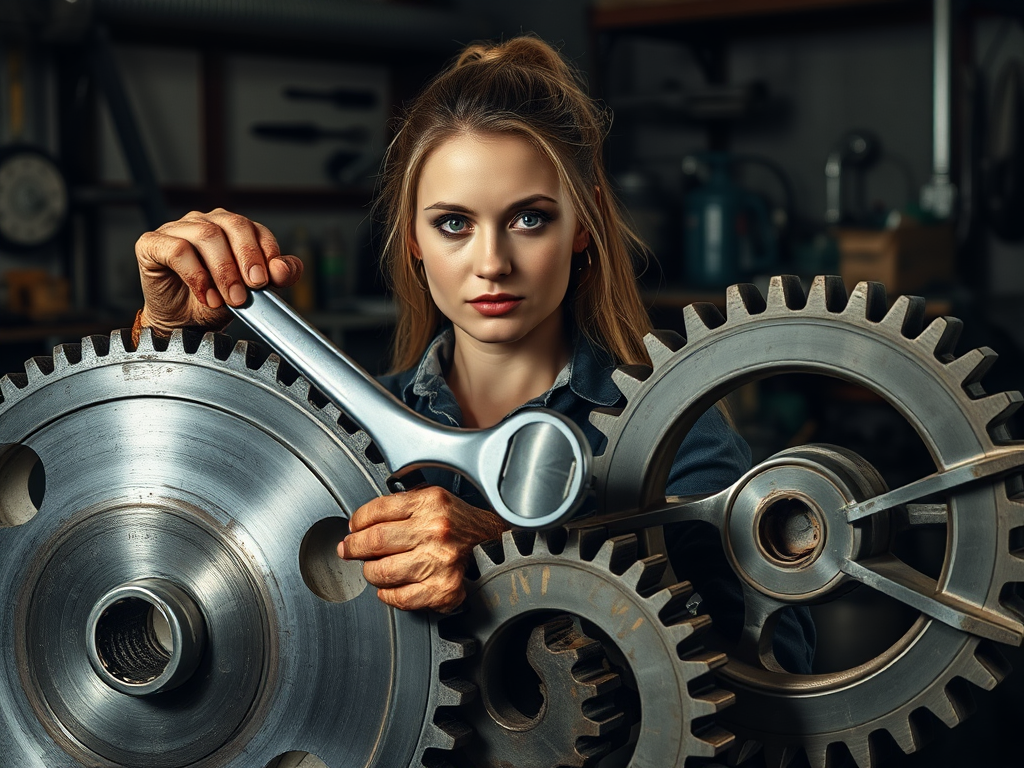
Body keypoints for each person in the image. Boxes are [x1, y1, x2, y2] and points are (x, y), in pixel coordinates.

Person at [133, 35, 814, 672]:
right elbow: (170, 551)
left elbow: (780, 667)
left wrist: (512, 561)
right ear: (414, 242)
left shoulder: (679, 438)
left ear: (584, 225)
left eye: (529, 218)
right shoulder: (344, 435)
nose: (492, 263)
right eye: (454, 223)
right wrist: (167, 344)